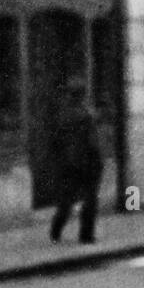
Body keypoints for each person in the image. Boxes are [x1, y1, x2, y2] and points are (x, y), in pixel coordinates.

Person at [49, 81, 104, 245]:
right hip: (87, 162)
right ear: (82, 95)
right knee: (90, 199)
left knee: (66, 199)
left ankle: (55, 230)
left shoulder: (62, 115)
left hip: (67, 163)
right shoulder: (86, 116)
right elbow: (92, 141)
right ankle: (86, 235)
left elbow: (55, 141)